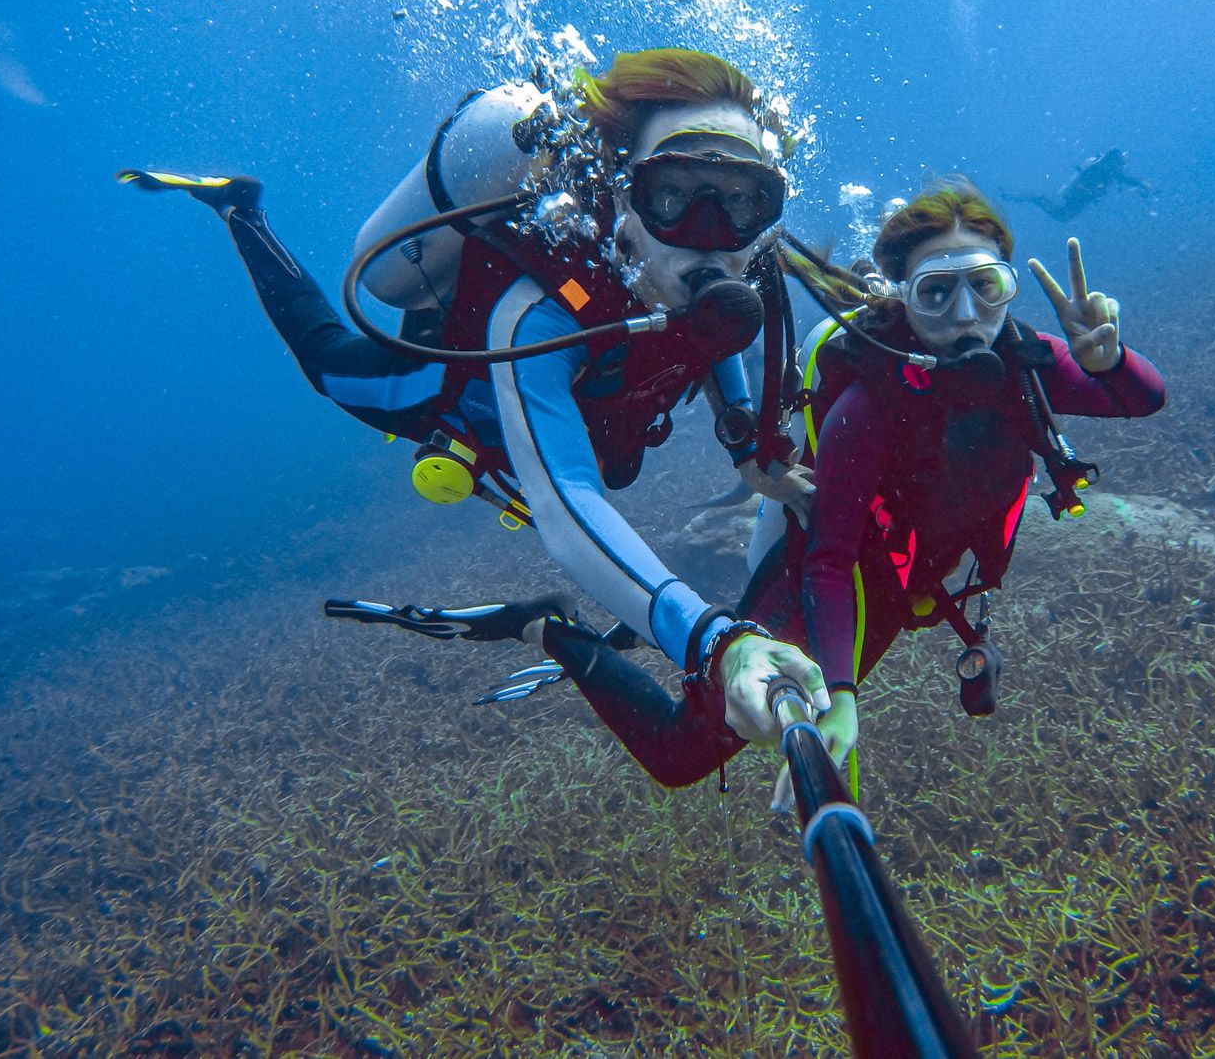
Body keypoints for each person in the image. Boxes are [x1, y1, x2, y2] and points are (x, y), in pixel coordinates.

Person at [348, 179, 1164, 797]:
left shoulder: (1029, 362)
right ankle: (551, 630)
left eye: (984, 287)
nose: (964, 317)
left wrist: (1104, 361)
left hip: (915, 583)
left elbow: (1140, 399)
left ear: (1006, 289)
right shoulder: (864, 406)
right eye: (934, 293)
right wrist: (839, 694)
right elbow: (830, 558)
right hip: (839, 585)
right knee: (681, 756)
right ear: (901, 302)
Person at [122, 48, 828, 743]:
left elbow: (714, 341)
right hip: (449, 387)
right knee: (326, 363)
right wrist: (712, 640)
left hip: (603, 398)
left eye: (742, 200)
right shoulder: (536, 312)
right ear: (620, 192)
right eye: (672, 193)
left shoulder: (744, 271)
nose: (709, 236)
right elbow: (565, 501)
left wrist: (748, 454)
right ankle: (243, 213)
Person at [1009, 147, 1154, 223]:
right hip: (1078, 196)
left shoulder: (1106, 169)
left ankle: (1032, 198)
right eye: (1121, 160)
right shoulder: (1103, 169)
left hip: (1079, 196)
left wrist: (1141, 184)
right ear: (1115, 160)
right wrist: (1090, 192)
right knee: (1063, 216)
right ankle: (1036, 198)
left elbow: (1123, 179)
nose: (1123, 164)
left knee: (1064, 216)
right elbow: (1083, 182)